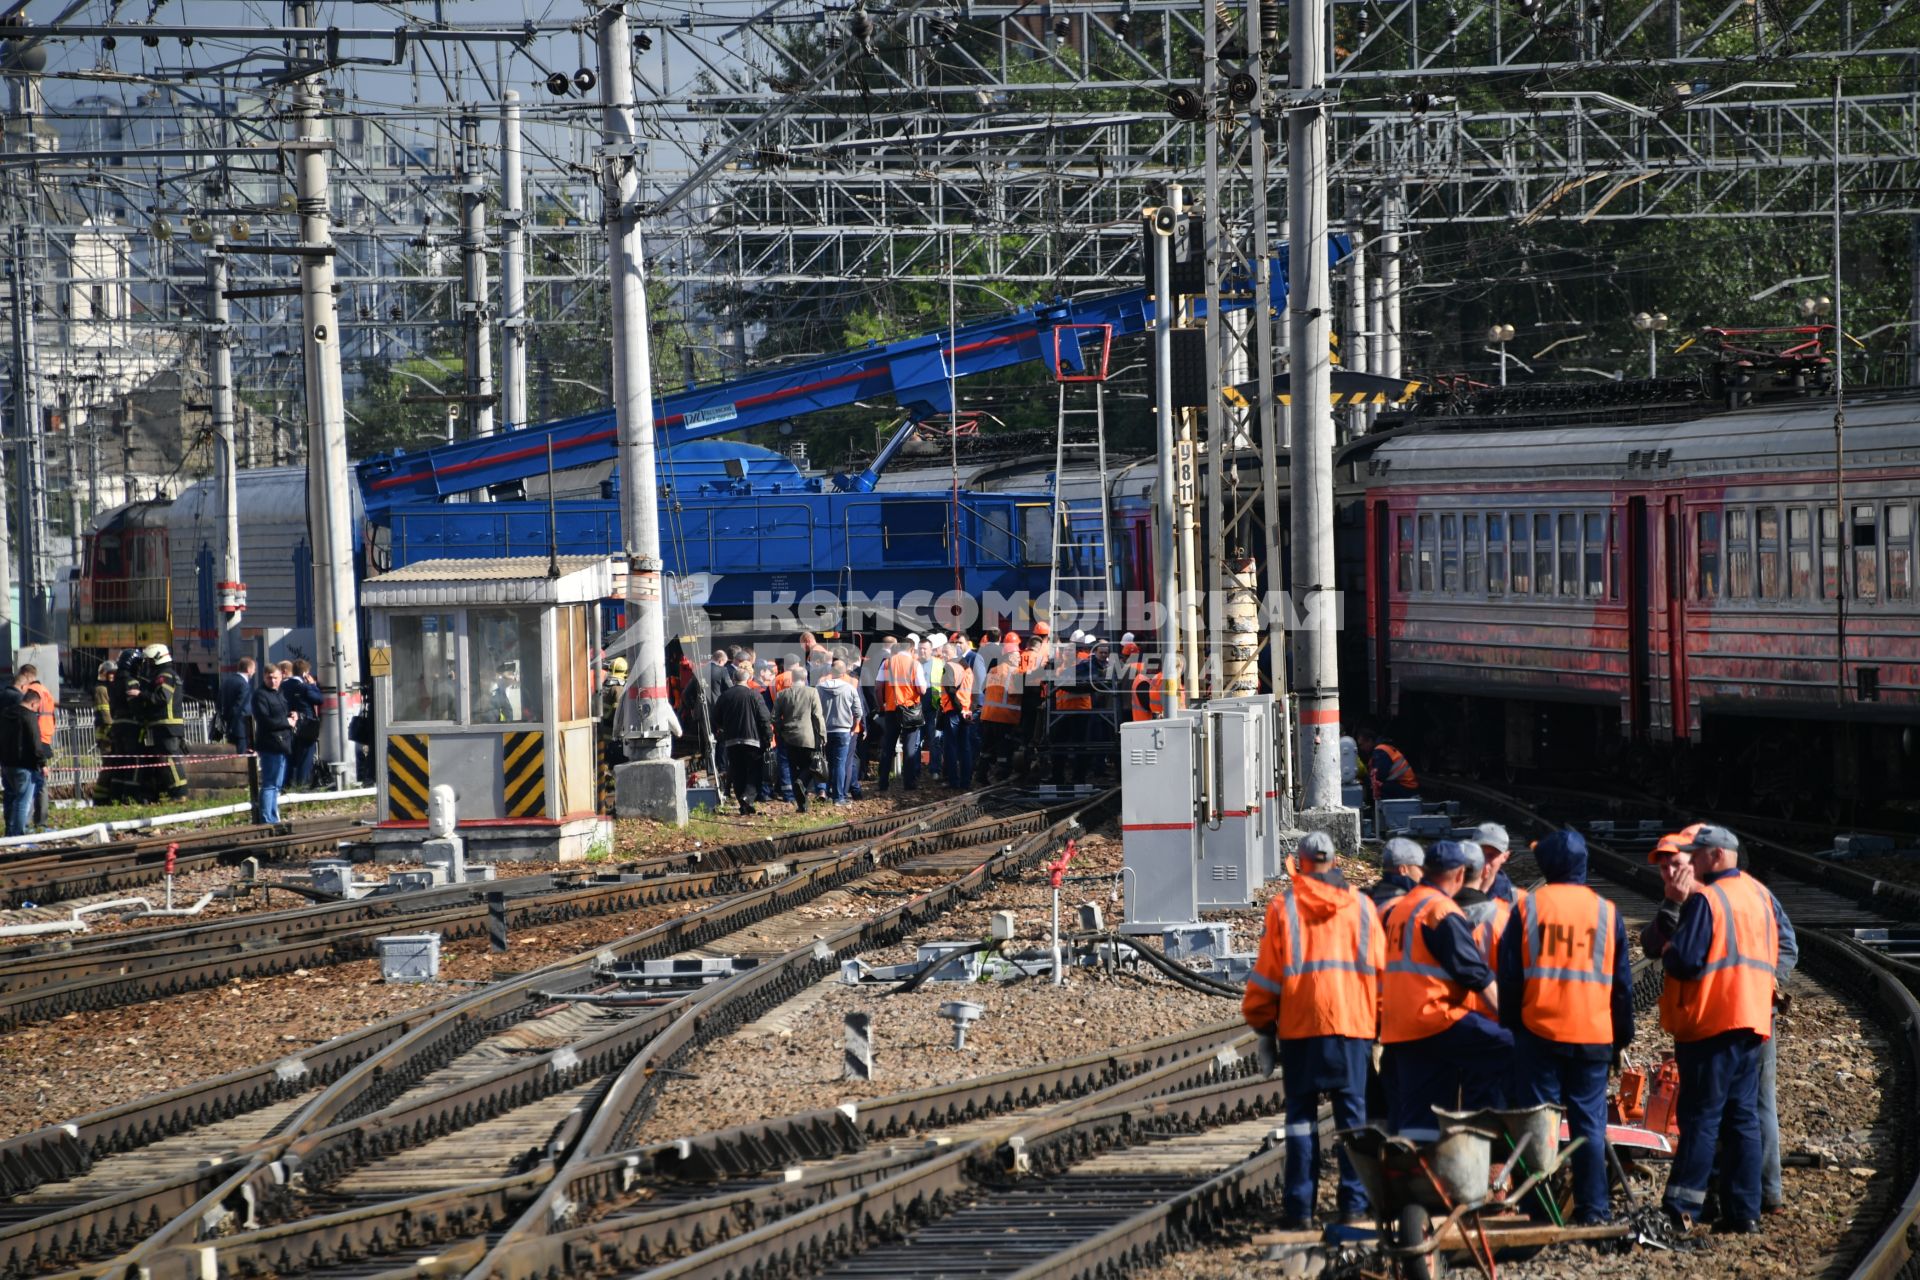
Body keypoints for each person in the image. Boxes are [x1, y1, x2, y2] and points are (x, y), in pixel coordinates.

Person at [1642, 824, 1797, 1219]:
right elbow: (1650, 942)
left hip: (1715, 1020)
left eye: (1682, 861)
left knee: (1706, 1117)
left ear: (1709, 857)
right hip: (1749, 1017)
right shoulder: (1753, 893)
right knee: (1742, 1116)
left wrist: (1770, 982)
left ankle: (1685, 1208)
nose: (1676, 871)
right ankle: (1742, 1210)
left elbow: (1684, 960)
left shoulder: (1709, 900)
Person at [1244, 832, 1383, 1229]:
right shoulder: (1362, 907)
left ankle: (1299, 1211)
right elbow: (1382, 974)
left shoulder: (1284, 909)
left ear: (1301, 864)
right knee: (1354, 1124)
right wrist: (1380, 1026)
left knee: (1301, 1121)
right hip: (1352, 1029)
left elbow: (1267, 979)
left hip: (1301, 1030)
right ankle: (1354, 1207)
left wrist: (1263, 1029)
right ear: (1335, 862)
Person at [1496, 830, 1634, 1225]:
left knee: (1538, 1126)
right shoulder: (1607, 912)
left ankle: (1539, 1210)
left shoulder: (1529, 908)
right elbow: (1621, 987)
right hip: (1592, 1037)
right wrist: (1619, 1037)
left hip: (1539, 1034)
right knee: (1589, 1126)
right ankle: (1594, 1210)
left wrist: (1513, 1028)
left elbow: (1509, 977)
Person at [1378, 839, 1512, 1139]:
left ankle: (1414, 1174)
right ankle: (1495, 1135)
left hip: (1399, 1026)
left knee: (1420, 1112)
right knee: (1512, 1045)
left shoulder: (1402, 908)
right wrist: (1511, 1021)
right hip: (1434, 1019)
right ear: (1460, 876)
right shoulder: (1440, 911)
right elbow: (1475, 974)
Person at [713, 657, 773, 814]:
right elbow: (764, 718)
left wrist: (722, 730)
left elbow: (716, 718)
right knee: (754, 771)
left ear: (733, 679)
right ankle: (748, 797)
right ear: (749, 679)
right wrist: (768, 737)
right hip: (752, 740)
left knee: (737, 771)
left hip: (732, 740)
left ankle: (742, 802)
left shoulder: (724, 697)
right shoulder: (754, 695)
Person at [875, 632, 928, 792]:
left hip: (891, 709)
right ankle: (909, 783)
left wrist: (881, 706)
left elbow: (878, 687)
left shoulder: (887, 663)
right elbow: (923, 690)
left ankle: (883, 783)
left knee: (888, 746)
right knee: (910, 748)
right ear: (912, 650)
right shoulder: (915, 664)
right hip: (910, 711)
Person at [772, 658, 827, 813]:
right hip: (808, 737)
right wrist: (822, 735)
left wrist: (780, 730)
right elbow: (817, 716)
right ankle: (801, 782)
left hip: (789, 738)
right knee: (810, 767)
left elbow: (774, 717)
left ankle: (802, 805)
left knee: (793, 767)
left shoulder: (782, 694)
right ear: (805, 678)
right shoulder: (812, 692)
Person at [138, 644, 189, 801]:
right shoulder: (168, 674)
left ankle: (180, 793)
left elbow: (161, 698)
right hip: (167, 725)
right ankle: (172, 792)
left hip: (166, 725)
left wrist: (142, 694)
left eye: (149, 661)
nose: (147, 665)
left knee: (169, 759)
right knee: (166, 759)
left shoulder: (164, 675)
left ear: (157, 659)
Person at [250, 664, 295, 824]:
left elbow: (280, 713)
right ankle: (267, 818)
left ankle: (272, 816)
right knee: (270, 783)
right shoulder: (260, 695)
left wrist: (292, 716)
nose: (273, 681)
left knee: (277, 784)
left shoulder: (279, 693)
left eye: (275, 677)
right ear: (264, 677)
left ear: (281, 677)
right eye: (269, 678)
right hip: (270, 744)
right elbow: (265, 720)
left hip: (282, 743)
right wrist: (286, 722)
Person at [975, 638, 1024, 785]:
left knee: (986, 749)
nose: (1019, 658)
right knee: (1004, 750)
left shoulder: (993, 670)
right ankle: (1002, 778)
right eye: (1017, 655)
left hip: (988, 715)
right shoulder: (1016, 673)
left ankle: (981, 776)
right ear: (1009, 656)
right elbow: (1017, 694)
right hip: (1005, 718)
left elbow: (984, 689)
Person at [0, 675, 44, 837]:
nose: (36, 711)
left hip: (6, 764)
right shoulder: (29, 716)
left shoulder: (5, 714)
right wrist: (42, 763)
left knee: (10, 798)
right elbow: (34, 742)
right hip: (24, 765)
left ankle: (9, 833)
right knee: (23, 801)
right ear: (33, 703)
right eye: (37, 707)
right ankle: (18, 835)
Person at [817, 657, 862, 805]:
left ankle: (825, 791)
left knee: (826, 762)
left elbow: (814, 710)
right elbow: (858, 712)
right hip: (843, 730)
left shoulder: (820, 688)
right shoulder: (850, 688)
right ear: (844, 673)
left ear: (831, 671)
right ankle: (838, 797)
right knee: (840, 764)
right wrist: (853, 726)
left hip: (825, 730)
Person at [18, 664, 55, 828]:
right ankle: (41, 821)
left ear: (26, 675)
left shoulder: (32, 692)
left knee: (32, 783)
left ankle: (27, 823)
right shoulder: (46, 691)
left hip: (36, 738)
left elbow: (27, 715)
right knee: (41, 783)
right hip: (46, 737)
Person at [935, 641, 975, 789]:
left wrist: (958, 709)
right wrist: (966, 709)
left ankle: (953, 781)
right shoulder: (967, 668)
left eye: (945, 652)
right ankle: (966, 781)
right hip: (965, 710)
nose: (943, 655)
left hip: (953, 711)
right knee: (965, 747)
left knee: (950, 747)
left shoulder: (949, 666)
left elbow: (951, 691)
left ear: (952, 652)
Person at [285, 659, 324, 787]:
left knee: (290, 757)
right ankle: (303, 785)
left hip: (287, 725)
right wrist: (313, 685)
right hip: (305, 726)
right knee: (305, 757)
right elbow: (319, 700)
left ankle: (288, 784)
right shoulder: (305, 687)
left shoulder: (283, 685)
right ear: (305, 673)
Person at [1355, 726, 1418, 801]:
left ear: (1370, 741)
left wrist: (1363, 778)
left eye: (1361, 744)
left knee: (1376, 786)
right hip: (1405, 786)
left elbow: (1378, 777)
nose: (1361, 748)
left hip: (1405, 789)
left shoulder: (1380, 752)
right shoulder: (1382, 749)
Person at [1366, 837, 1425, 915]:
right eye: (1420, 868)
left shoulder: (1367, 898)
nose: (1423, 874)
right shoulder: (1414, 905)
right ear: (1403, 869)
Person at [1471, 823, 1524, 908]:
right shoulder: (1451, 891)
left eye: (1491, 855)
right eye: (1479, 852)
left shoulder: (1519, 901)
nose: (1484, 861)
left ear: (1505, 856)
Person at [218, 658, 257, 757]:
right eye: (254, 669)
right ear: (248, 669)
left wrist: (226, 718)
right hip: (241, 728)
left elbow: (219, 702)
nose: (254, 672)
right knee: (241, 757)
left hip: (229, 726)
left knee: (231, 755)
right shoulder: (244, 685)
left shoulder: (227, 681)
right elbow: (241, 707)